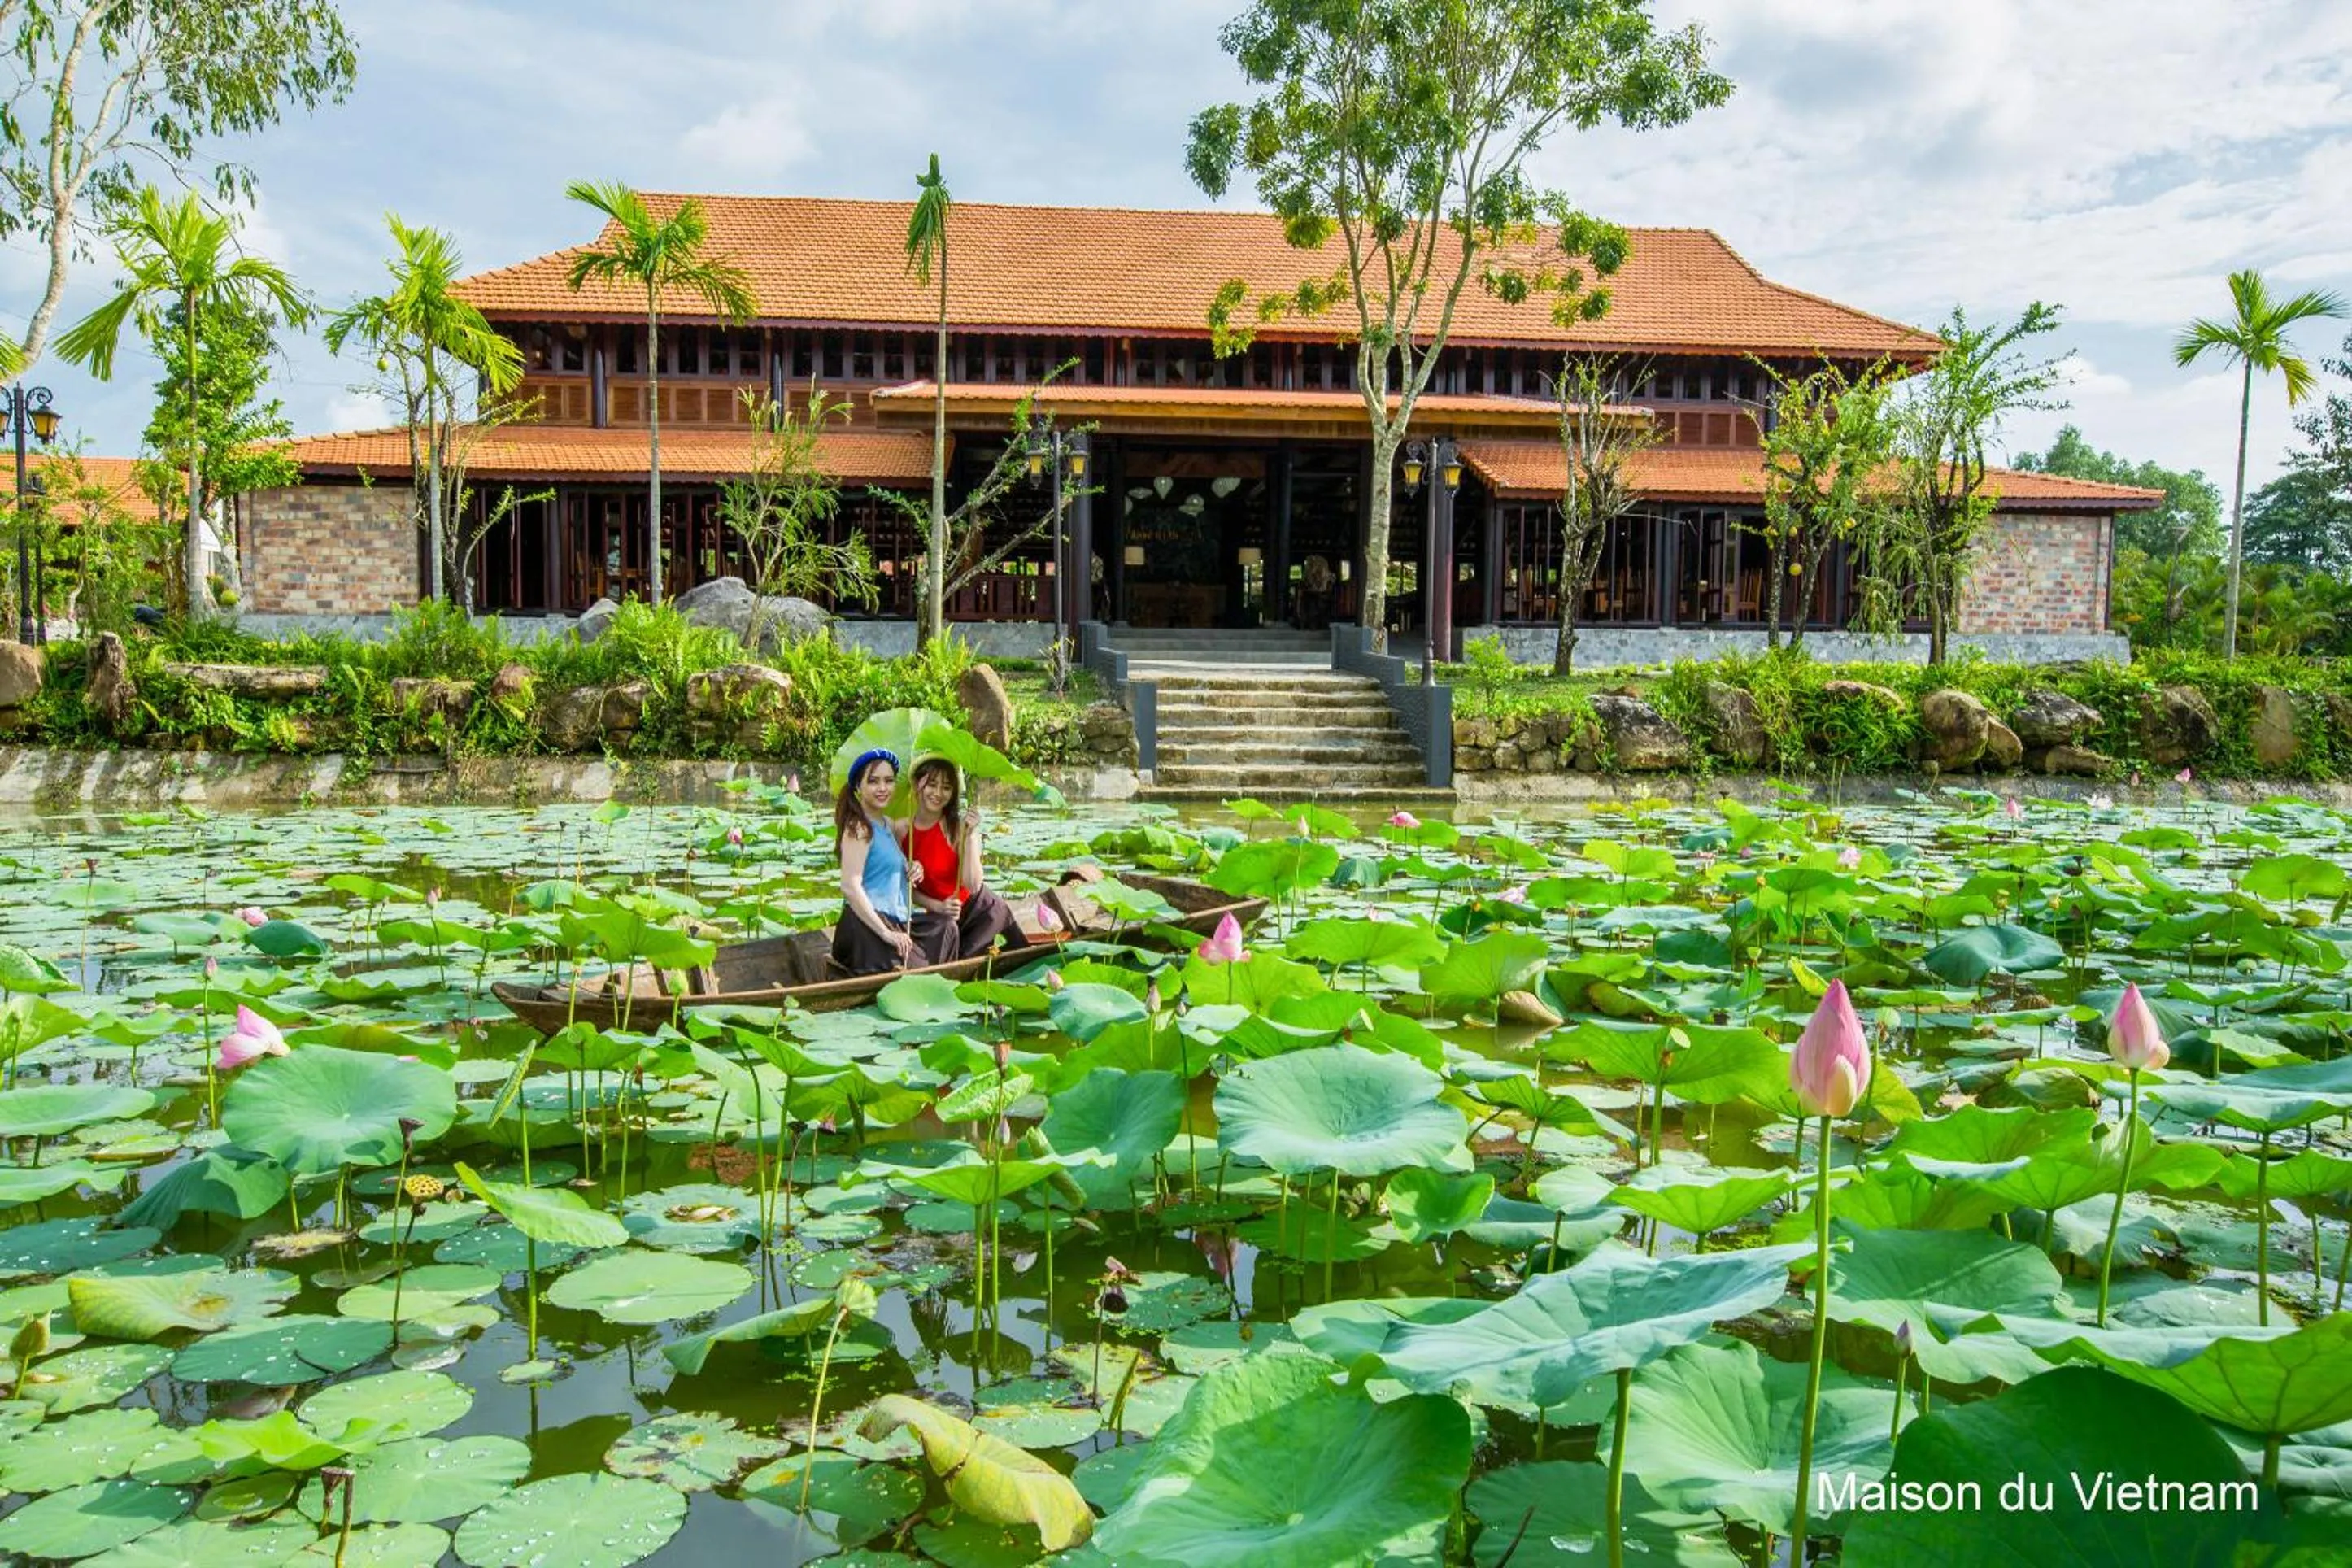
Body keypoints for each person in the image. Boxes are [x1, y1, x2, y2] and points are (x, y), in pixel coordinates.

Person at [830, 748, 955, 976]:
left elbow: (885, 867)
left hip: (895, 920)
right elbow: (850, 885)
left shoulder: (887, 823)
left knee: (945, 928)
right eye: (873, 782)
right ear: (859, 787)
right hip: (865, 925)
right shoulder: (859, 827)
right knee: (908, 970)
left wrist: (912, 867)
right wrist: (885, 933)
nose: (882, 788)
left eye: (888, 781)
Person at [904, 757, 1029, 960]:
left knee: (1006, 969)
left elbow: (973, 885)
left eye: (946, 787)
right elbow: (903, 888)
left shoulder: (958, 828)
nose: (937, 793)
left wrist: (970, 837)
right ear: (917, 784)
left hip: (983, 914)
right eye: (932, 785)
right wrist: (937, 906)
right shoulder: (901, 830)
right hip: (943, 918)